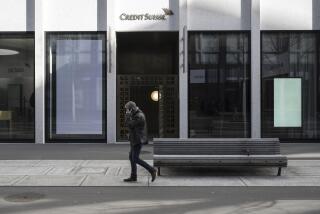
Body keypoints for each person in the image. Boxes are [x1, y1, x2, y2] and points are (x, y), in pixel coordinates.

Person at [123, 101, 157, 182]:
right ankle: (133, 176)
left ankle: (152, 170)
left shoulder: (139, 116)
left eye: (127, 109)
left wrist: (127, 115)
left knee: (135, 159)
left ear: (131, 109)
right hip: (134, 139)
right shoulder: (136, 114)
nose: (126, 111)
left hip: (137, 140)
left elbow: (129, 125)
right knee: (131, 157)